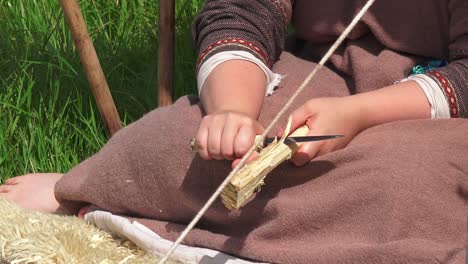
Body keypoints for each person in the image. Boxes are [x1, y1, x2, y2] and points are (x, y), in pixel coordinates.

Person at [1, 0, 467, 263]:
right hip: (316, 75)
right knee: (178, 139)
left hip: (429, 107)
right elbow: (239, 15)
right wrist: (233, 114)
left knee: (406, 185)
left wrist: (361, 115)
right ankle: (86, 186)